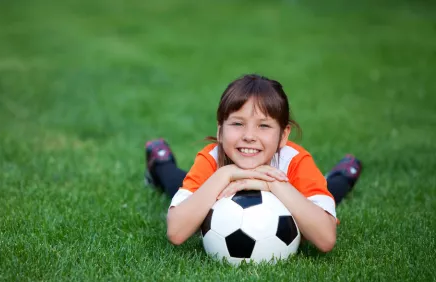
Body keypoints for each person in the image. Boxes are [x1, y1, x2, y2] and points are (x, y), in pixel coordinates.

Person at [144, 74, 362, 252]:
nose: (249, 136)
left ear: (284, 135)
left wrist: (273, 184)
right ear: (220, 131)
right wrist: (225, 174)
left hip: (292, 186)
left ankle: (344, 175)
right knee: (177, 186)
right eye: (238, 123)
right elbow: (176, 232)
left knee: (327, 193)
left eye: (264, 126)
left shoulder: (294, 161)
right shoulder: (212, 159)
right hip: (215, 175)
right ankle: (160, 162)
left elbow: (325, 239)